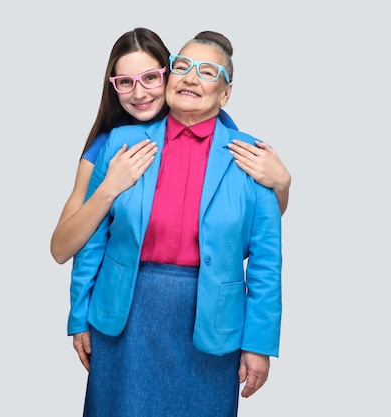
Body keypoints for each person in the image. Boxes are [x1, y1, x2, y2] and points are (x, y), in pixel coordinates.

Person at [68, 30, 282, 416]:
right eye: (181, 66)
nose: (191, 77)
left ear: (226, 93)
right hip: (126, 312)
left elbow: (267, 262)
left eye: (207, 71)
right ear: (169, 78)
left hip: (214, 319)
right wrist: (78, 315)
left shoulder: (252, 157)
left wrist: (259, 344)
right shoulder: (121, 143)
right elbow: (93, 241)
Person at [50, 27, 290, 265]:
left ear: (169, 73)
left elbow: (243, 225)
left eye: (151, 78)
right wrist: (109, 188)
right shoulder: (109, 145)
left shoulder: (224, 135)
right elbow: (61, 250)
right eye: (126, 82)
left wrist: (282, 185)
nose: (139, 93)